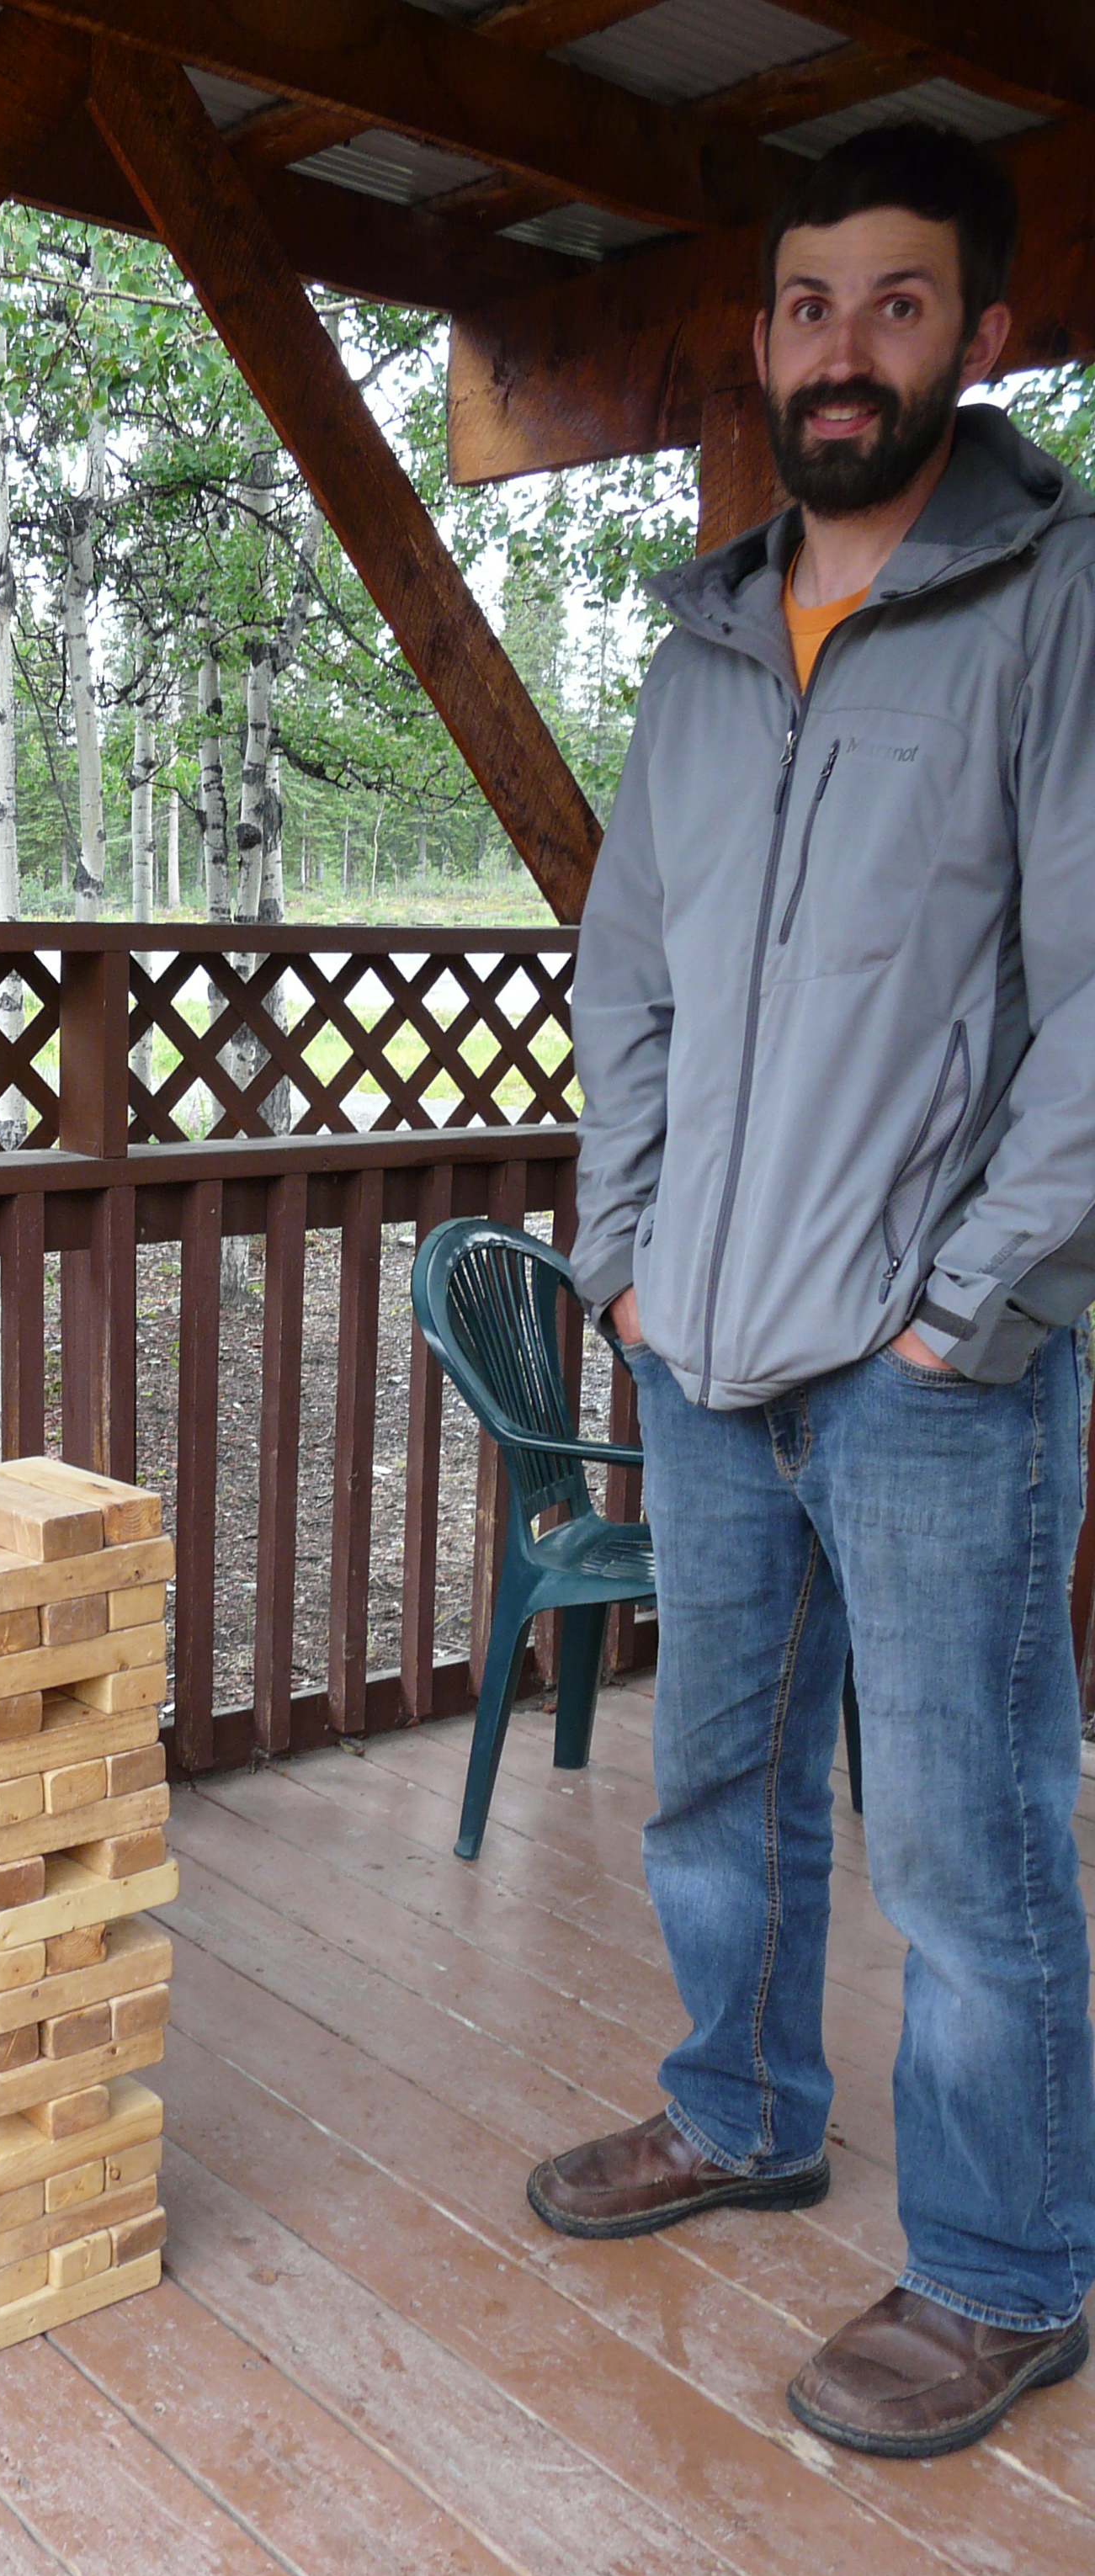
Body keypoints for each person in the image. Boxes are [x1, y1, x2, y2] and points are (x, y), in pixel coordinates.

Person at [541, 122, 1095, 2458]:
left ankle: (1003, 2271)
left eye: (896, 301)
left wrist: (971, 1307)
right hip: (706, 1340)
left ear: (981, 336)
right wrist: (627, 1256)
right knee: (720, 1780)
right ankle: (744, 2110)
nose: (842, 348)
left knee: (969, 1841)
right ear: (763, 342)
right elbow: (630, 972)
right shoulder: (701, 639)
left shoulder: (1058, 602)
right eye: (805, 304)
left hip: (929, 1365)